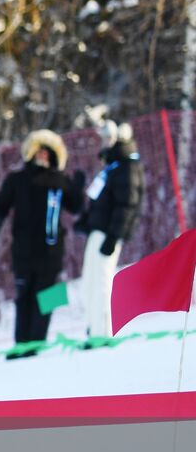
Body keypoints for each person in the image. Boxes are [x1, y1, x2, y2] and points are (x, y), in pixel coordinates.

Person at [0, 129, 85, 358]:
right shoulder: (17, 179)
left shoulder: (59, 181)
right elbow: (0, 205)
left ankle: (37, 343)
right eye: (39, 151)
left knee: (47, 298)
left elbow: (76, 207)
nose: (42, 156)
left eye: (46, 152)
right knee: (24, 298)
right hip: (23, 251)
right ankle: (21, 344)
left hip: (51, 253)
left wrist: (78, 186)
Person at [76, 120, 145, 345]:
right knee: (89, 283)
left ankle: (102, 332)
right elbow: (100, 201)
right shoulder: (112, 168)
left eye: (107, 138)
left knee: (102, 284)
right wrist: (87, 221)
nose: (103, 143)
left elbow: (127, 205)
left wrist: (114, 236)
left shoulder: (127, 167)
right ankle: (94, 327)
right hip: (98, 231)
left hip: (108, 234)